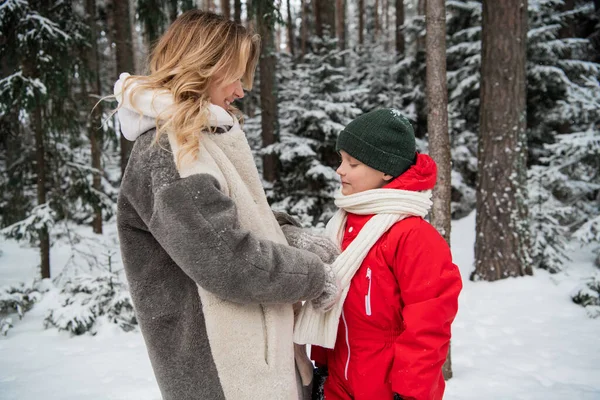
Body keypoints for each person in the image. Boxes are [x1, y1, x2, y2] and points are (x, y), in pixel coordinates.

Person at [114, 10, 339, 400]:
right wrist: (313, 276)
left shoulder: (200, 138)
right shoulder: (168, 152)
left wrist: (289, 235)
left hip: (252, 358)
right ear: (204, 67)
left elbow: (230, 221)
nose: (241, 89)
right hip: (223, 372)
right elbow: (228, 261)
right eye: (235, 74)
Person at [293, 109, 463, 400]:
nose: (340, 170)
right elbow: (331, 306)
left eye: (353, 163)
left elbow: (429, 326)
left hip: (384, 389)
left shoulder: (413, 237)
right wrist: (322, 364)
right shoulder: (343, 225)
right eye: (341, 160)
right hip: (338, 383)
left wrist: (409, 393)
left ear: (386, 170)